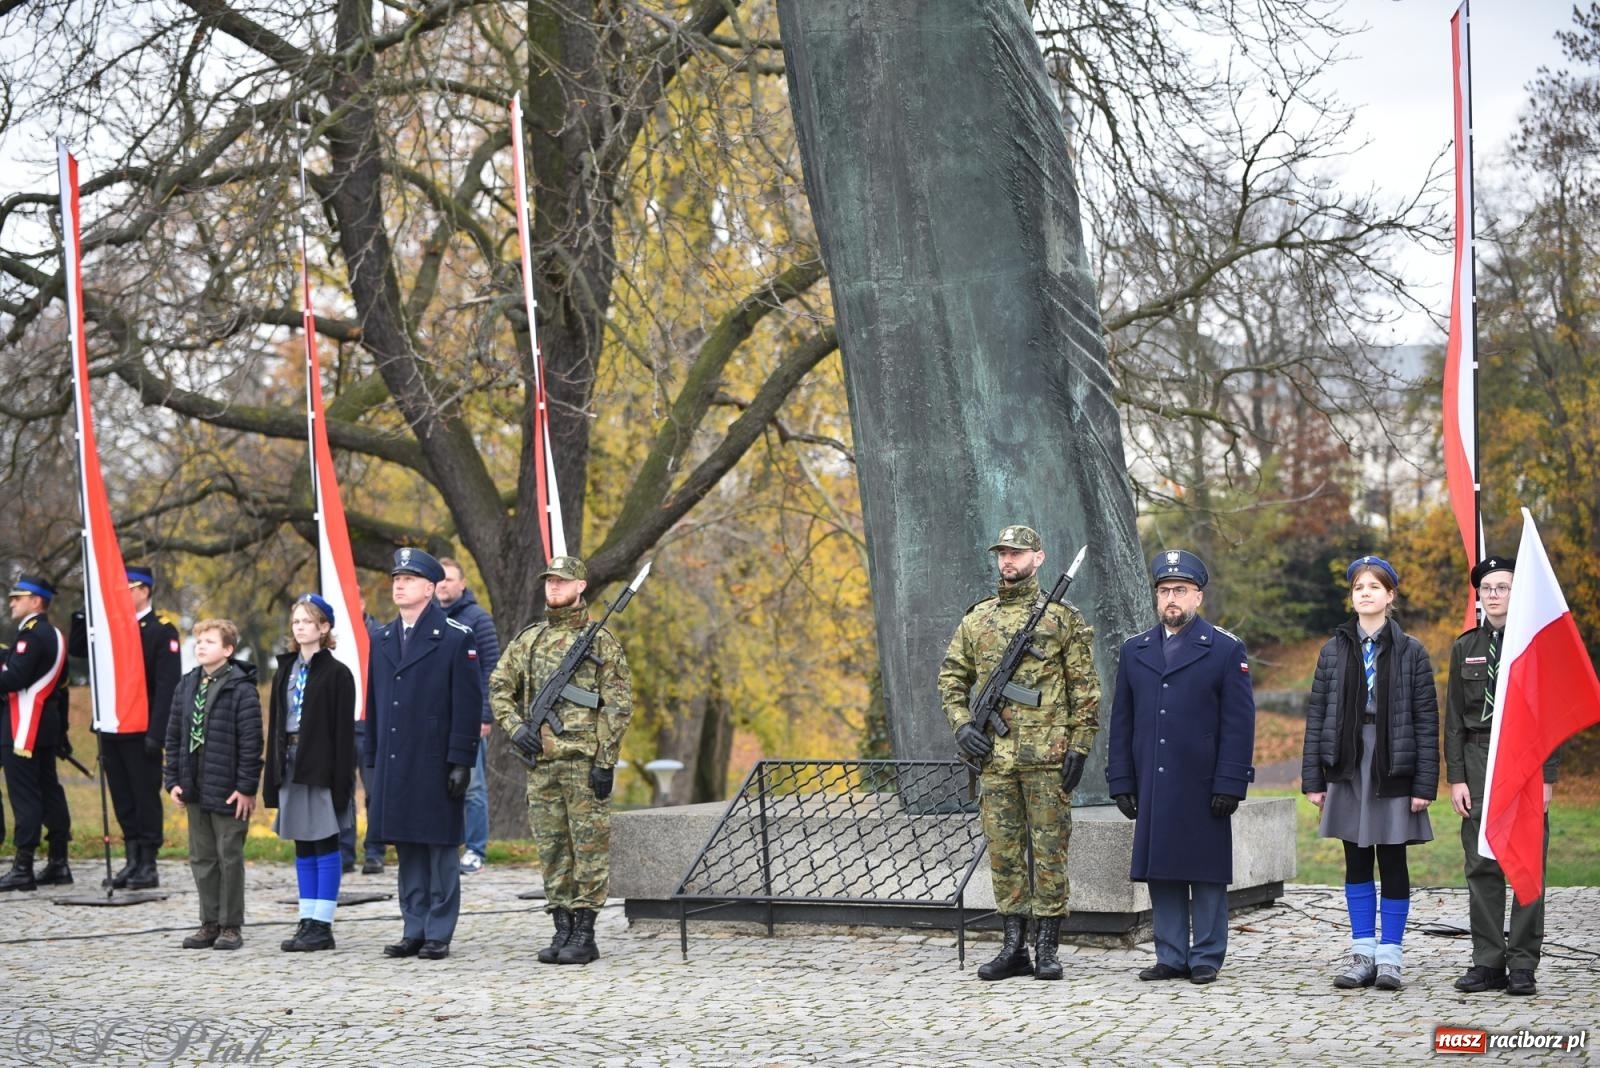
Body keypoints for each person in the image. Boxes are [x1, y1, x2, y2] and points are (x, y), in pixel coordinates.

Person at [937, 525, 1099, 982]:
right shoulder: (977, 619)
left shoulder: (1061, 618)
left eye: (1017, 553)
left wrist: (1081, 746)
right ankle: (1013, 948)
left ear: (1039, 558)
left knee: (1050, 854)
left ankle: (1046, 948)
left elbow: (1085, 688)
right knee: (1004, 855)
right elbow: (951, 677)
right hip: (995, 759)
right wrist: (963, 724)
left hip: (1047, 756)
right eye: (1002, 553)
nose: (1008, 561)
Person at [1107, 549, 1256, 986]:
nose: (1171, 598)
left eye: (1180, 590)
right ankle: (1170, 954)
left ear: (1198, 597)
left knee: (1205, 870)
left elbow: (1239, 722)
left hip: (1203, 778)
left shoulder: (1225, 649)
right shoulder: (1136, 650)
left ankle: (1207, 955)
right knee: (1163, 867)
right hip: (1153, 777)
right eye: (1164, 591)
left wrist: (1231, 780)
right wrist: (1121, 779)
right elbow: (1123, 721)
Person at [1302, 555, 1437, 992]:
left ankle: (1391, 957)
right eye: (1359, 587)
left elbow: (1426, 719)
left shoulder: (1412, 650)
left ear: (1390, 596)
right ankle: (1362, 952)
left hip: (1392, 762)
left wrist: (1424, 783)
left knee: (1392, 858)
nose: (1366, 593)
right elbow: (1317, 713)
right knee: (1355, 858)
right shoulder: (1333, 649)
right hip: (1346, 763)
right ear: (1352, 596)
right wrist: (1313, 778)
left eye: (1374, 587)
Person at [491, 554, 633, 966]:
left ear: (580, 586)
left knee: (588, 850)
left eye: (562, 581)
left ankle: (585, 933)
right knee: (552, 850)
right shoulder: (529, 640)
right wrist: (516, 727)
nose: (553, 587)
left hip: (583, 762)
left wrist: (605, 760)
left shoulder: (601, 640)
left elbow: (618, 705)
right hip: (542, 764)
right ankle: (562, 928)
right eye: (549, 581)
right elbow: (499, 686)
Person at [1445, 555, 1558, 997]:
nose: (1493, 595)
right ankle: (1488, 961)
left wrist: (1548, 774)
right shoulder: (1464, 647)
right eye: (1487, 588)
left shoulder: (1534, 646)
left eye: (1503, 587)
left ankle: (1523, 963)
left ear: (1517, 592)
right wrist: (1457, 778)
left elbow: (1549, 715)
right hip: (1477, 761)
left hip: (1525, 764)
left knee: (1527, 862)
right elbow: (1454, 718)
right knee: (1482, 866)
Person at [365, 548, 481, 961]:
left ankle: (439, 930)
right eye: (397, 577)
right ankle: (413, 926)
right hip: (397, 758)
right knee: (407, 846)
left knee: (438, 848)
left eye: (410, 579)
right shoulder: (380, 640)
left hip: (434, 758)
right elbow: (376, 705)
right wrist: (372, 761)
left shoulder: (454, 636)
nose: (399, 584)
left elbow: (467, 705)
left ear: (430, 588)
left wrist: (461, 761)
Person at [72, 563, 181, 890]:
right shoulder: (111, 627)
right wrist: (84, 609)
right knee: (121, 794)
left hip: (142, 727)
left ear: (144, 591)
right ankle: (131, 858)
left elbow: (167, 687)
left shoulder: (161, 630)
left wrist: (157, 733)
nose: (119, 595)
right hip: (112, 724)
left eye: (127, 590)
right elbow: (79, 650)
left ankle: (148, 862)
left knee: (144, 794)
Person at [265, 594, 357, 952]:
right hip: (290, 759)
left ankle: (323, 923)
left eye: (308, 621)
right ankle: (307, 917)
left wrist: (341, 782)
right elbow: (275, 722)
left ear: (324, 628)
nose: (300, 627)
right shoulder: (286, 670)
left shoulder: (337, 674)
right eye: (296, 622)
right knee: (303, 841)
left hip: (320, 764)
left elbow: (343, 735)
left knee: (324, 840)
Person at [163, 619, 262, 951]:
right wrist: (173, 780)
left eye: (209, 641)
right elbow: (174, 735)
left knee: (228, 855)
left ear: (228, 650)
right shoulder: (187, 684)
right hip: (195, 786)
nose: (200, 646)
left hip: (229, 789)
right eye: (198, 641)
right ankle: (209, 921)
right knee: (201, 856)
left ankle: (231, 925)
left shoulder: (241, 687)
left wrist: (247, 786)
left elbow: (251, 742)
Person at [0, 575, 73, 891]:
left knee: (25, 793)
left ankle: (23, 866)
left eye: (18, 597)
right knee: (49, 789)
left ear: (36, 601)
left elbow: (14, 678)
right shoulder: (54, 634)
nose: (12, 602)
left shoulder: (30, 635)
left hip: (24, 724)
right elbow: (63, 683)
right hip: (48, 722)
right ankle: (58, 861)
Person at [437, 557, 501, 875]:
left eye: (449, 579)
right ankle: (445, 847)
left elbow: (491, 668)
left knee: (473, 786)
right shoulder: (427, 618)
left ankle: (476, 850)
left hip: (469, 718)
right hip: (435, 719)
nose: (444, 584)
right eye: (440, 579)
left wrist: (485, 714)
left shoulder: (478, 619)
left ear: (462, 584)